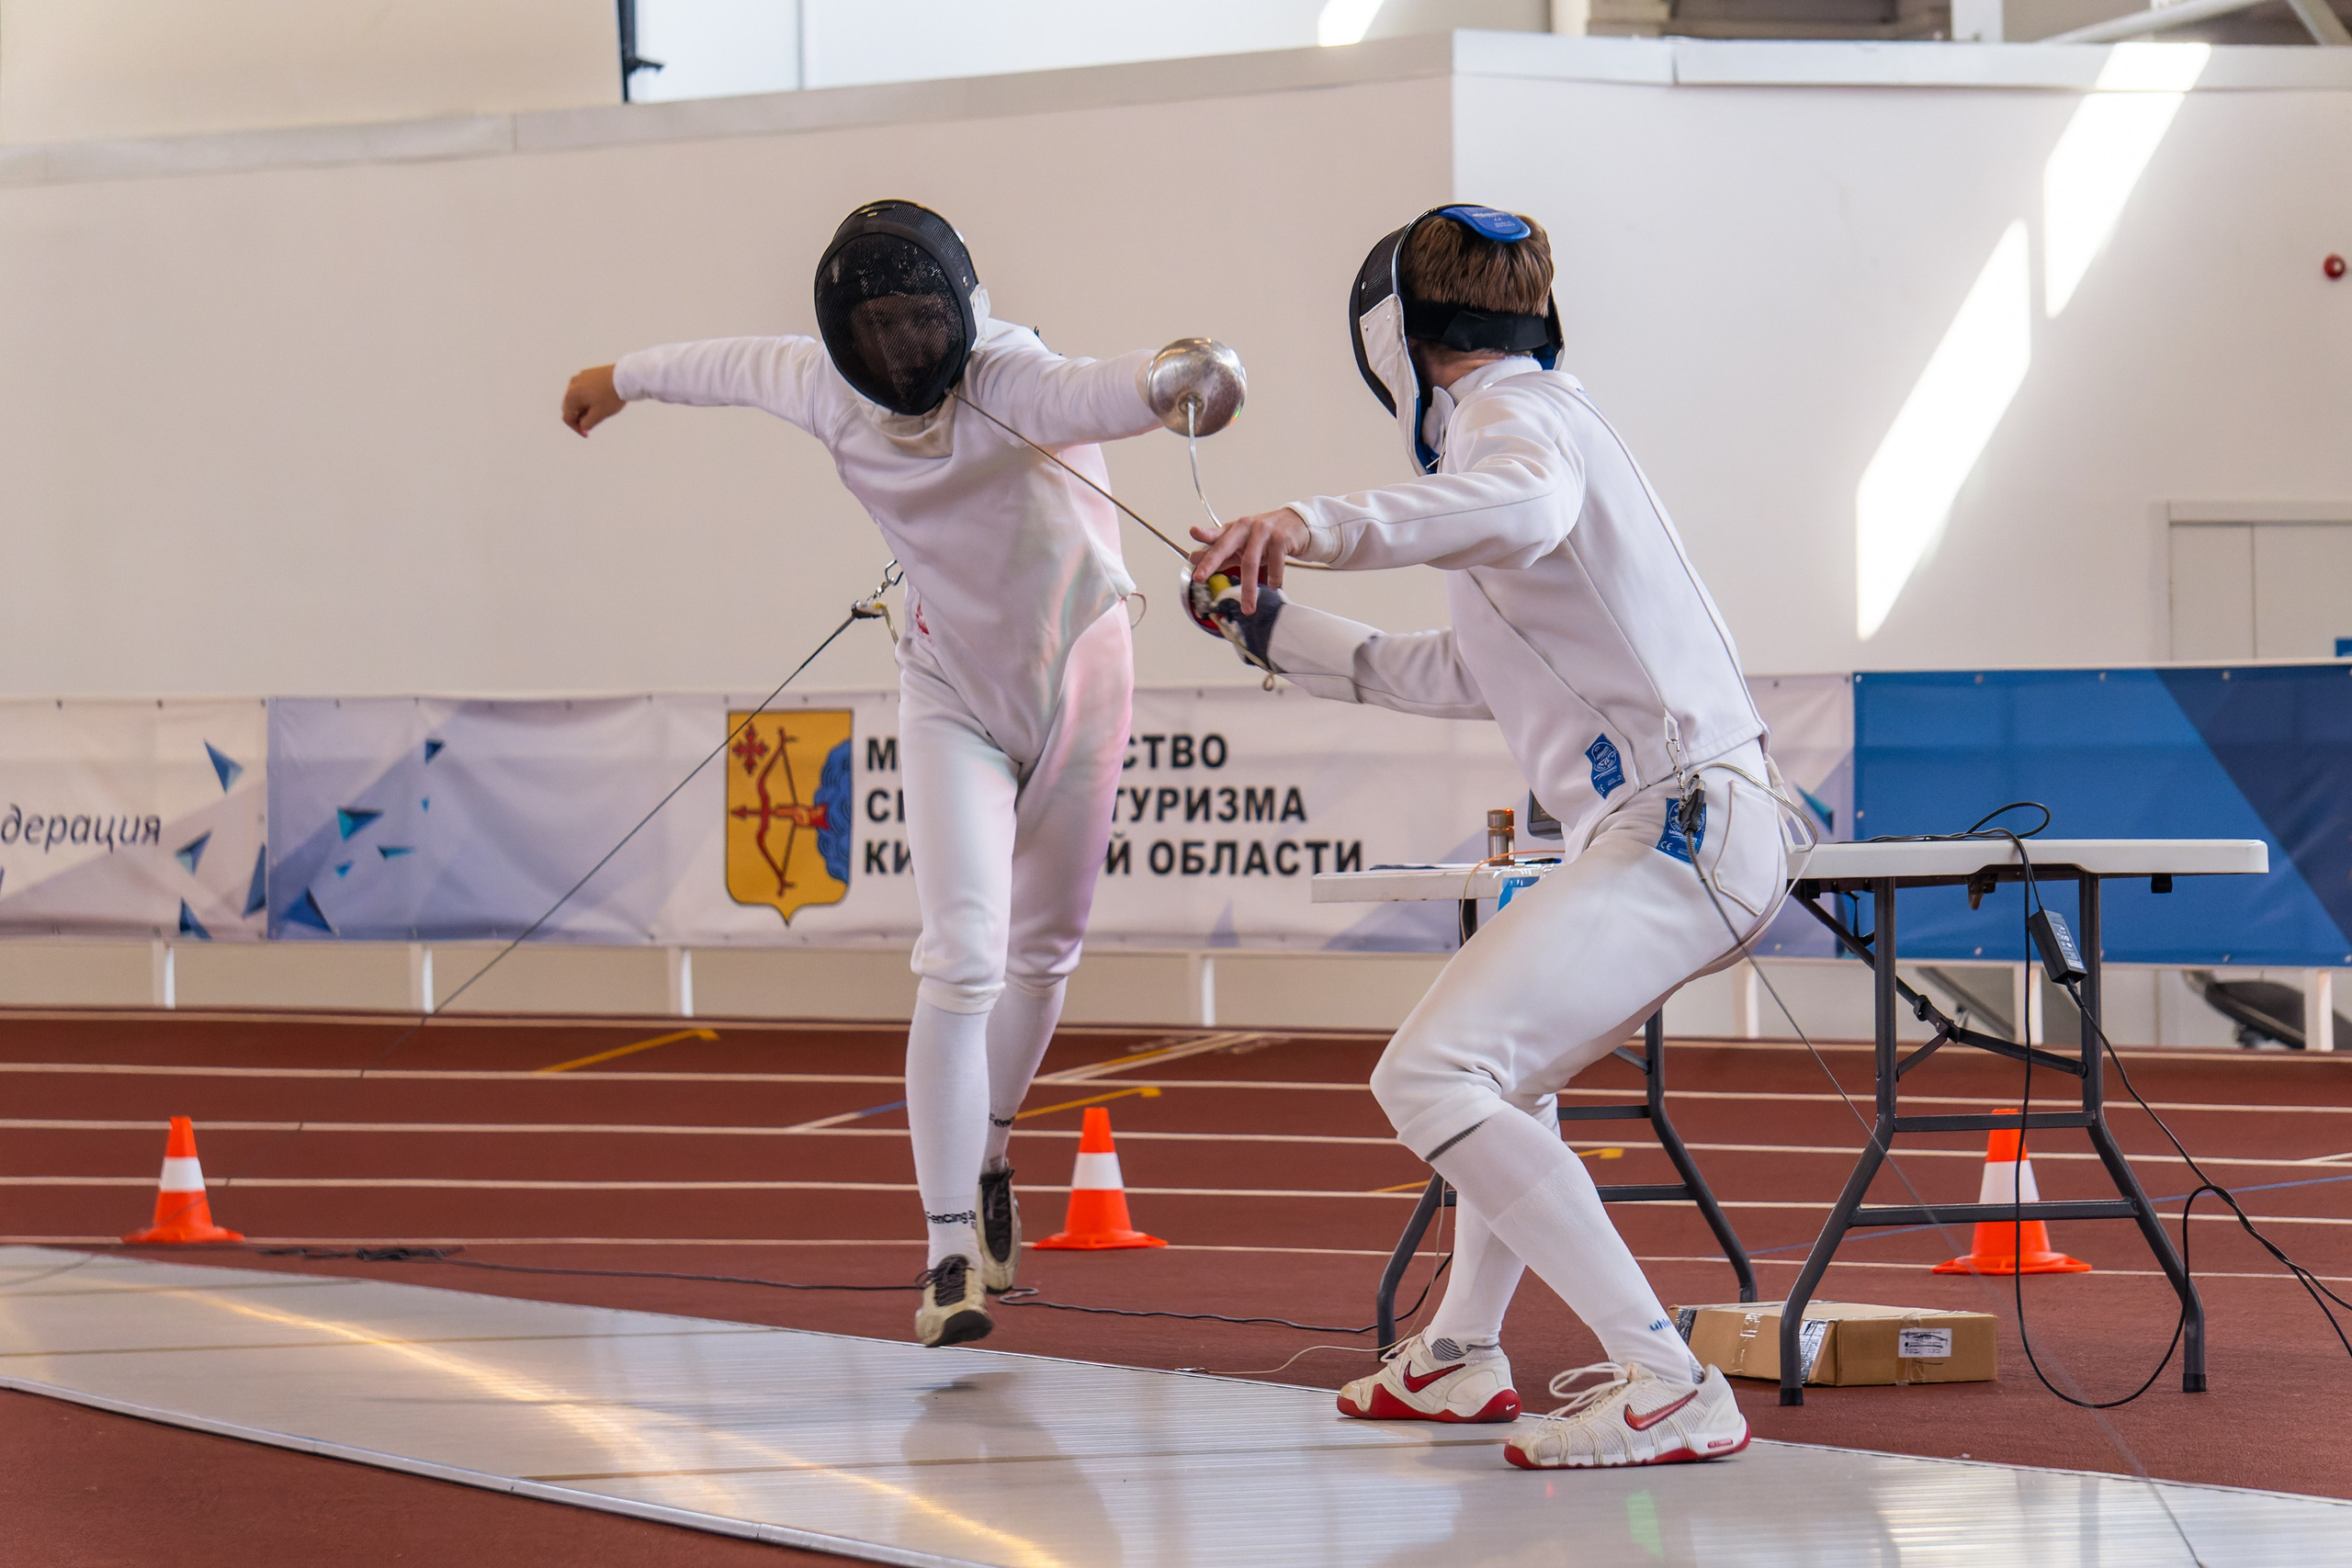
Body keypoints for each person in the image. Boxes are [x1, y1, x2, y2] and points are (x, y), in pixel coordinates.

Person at [1189, 205, 1795, 1469]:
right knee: (1504, 1075)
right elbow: (1452, 671)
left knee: (1430, 1074)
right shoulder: (1533, 434)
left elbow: (1516, 505)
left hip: (1682, 826)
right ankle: (1465, 1352)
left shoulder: (1517, 427)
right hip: (1678, 826)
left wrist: (1308, 522)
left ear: (1398, 340)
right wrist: (1270, 630)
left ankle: (1670, 1378)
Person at [564, 198, 1172, 1348]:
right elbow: (727, 366)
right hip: (950, 689)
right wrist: (619, 376)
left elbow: (1109, 388)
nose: (897, 351)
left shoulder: (1014, 377)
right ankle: (948, 1249)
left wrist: (1185, 379)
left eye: (916, 323)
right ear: (845, 336)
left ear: (960, 313)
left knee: (1042, 954)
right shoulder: (825, 389)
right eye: (874, 329)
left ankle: (991, 1151)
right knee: (958, 955)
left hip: (1081, 676)